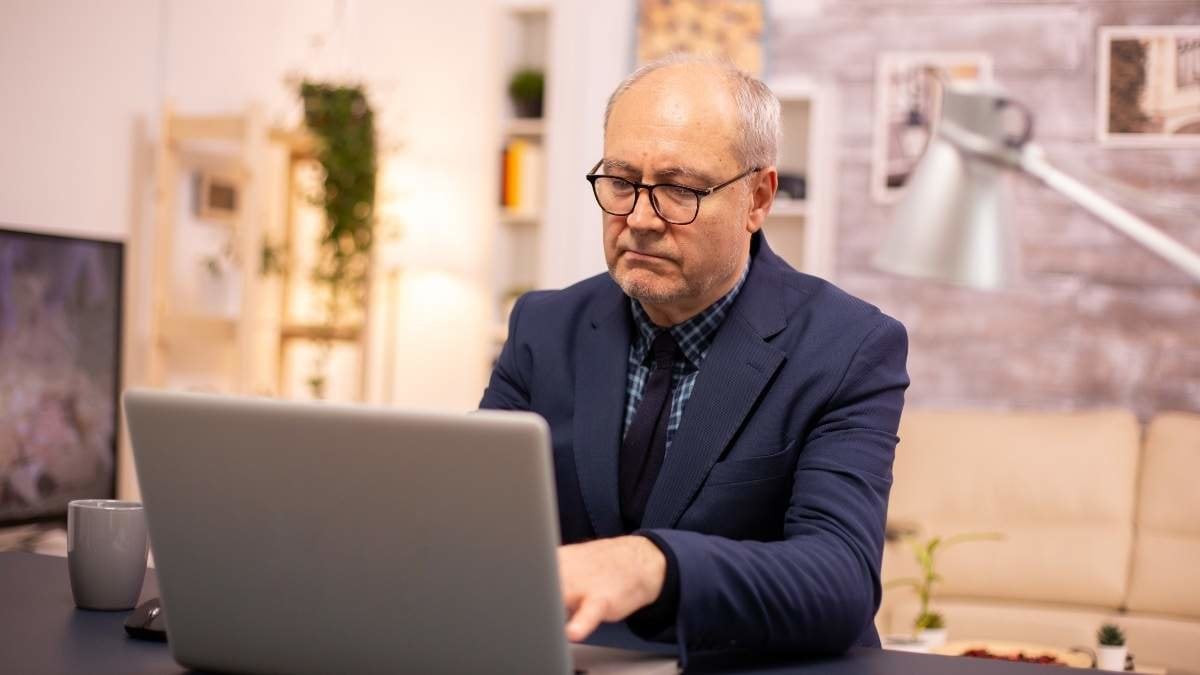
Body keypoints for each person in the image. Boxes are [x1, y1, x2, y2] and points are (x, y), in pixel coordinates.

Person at [479, 54, 909, 656]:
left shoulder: (849, 346)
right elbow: (473, 520)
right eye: (622, 182)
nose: (640, 219)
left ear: (758, 198)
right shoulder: (542, 327)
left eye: (680, 189)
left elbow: (839, 580)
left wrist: (654, 565)